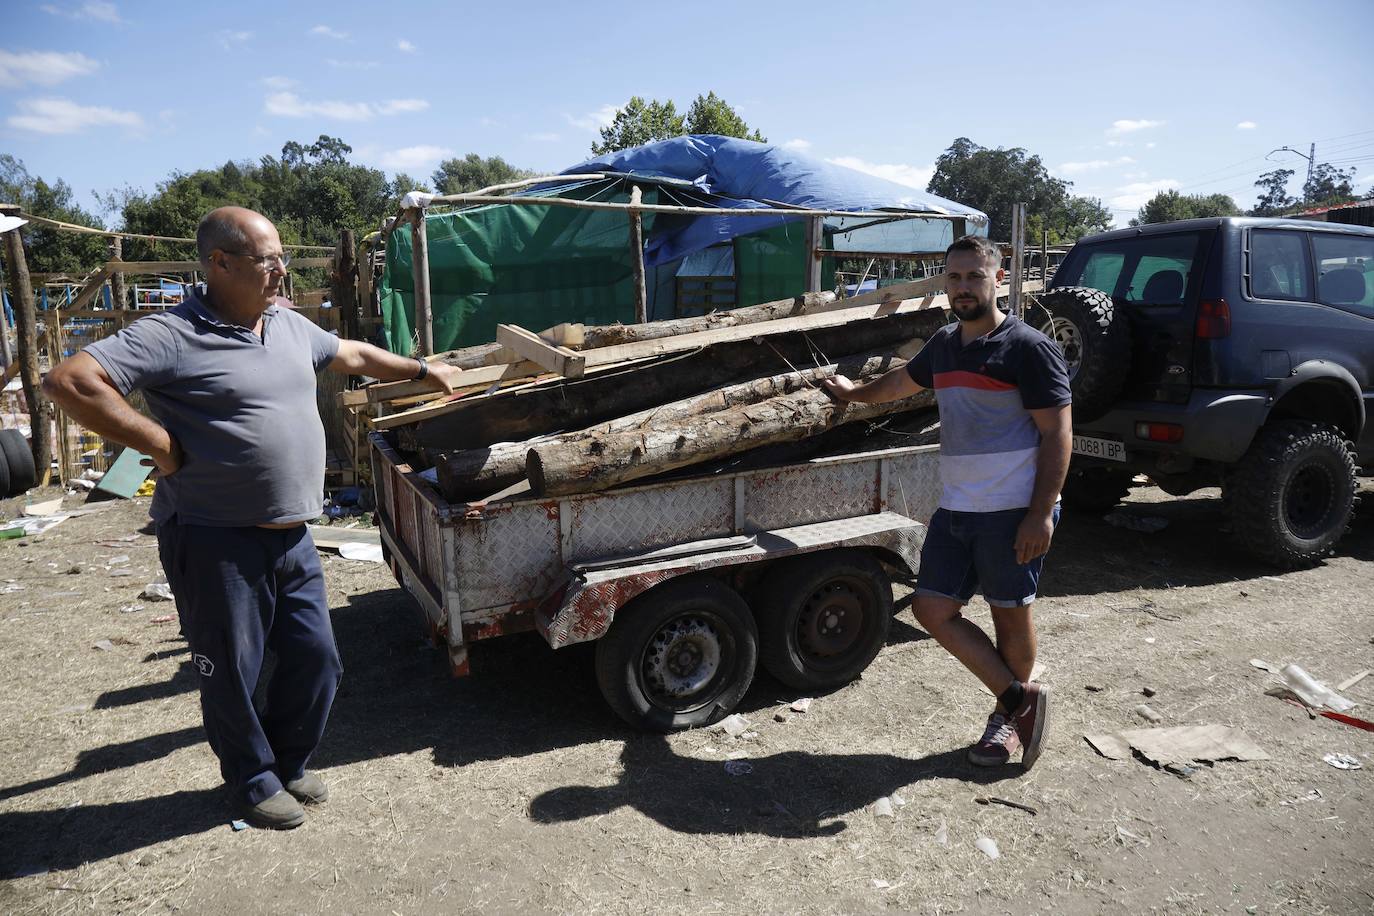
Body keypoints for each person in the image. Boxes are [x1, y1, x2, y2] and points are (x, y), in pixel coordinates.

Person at [43, 206, 464, 828]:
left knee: (315, 657)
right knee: (231, 669)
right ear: (219, 264)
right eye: (267, 261)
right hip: (214, 537)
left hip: (292, 535)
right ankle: (251, 779)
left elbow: (350, 353)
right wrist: (157, 445)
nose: (281, 270)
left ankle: (288, 761)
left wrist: (425, 370)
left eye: (280, 257)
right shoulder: (171, 334)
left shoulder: (287, 326)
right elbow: (71, 380)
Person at [824, 234, 1072, 769]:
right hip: (959, 507)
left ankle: (1008, 722)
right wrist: (852, 394)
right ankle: (1021, 703)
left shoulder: (1028, 348)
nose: (963, 287)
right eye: (954, 277)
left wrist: (1039, 513)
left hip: (1012, 510)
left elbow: (1058, 434)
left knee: (1010, 615)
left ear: (998, 279)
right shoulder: (945, 345)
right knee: (931, 607)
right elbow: (900, 384)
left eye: (975, 276)